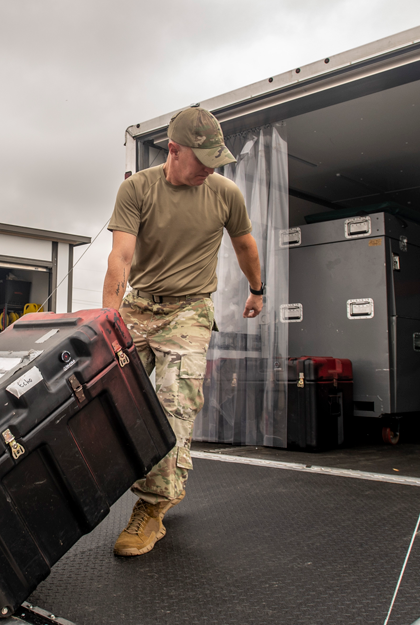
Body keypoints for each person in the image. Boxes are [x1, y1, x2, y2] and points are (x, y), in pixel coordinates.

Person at [102, 106, 264, 556]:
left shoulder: (225, 193)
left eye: (217, 158)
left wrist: (258, 290)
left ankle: (152, 509)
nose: (211, 167)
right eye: (204, 158)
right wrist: (109, 321)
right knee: (105, 394)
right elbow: (121, 258)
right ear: (174, 150)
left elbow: (245, 243)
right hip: (138, 306)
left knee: (175, 405)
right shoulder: (137, 189)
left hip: (189, 312)